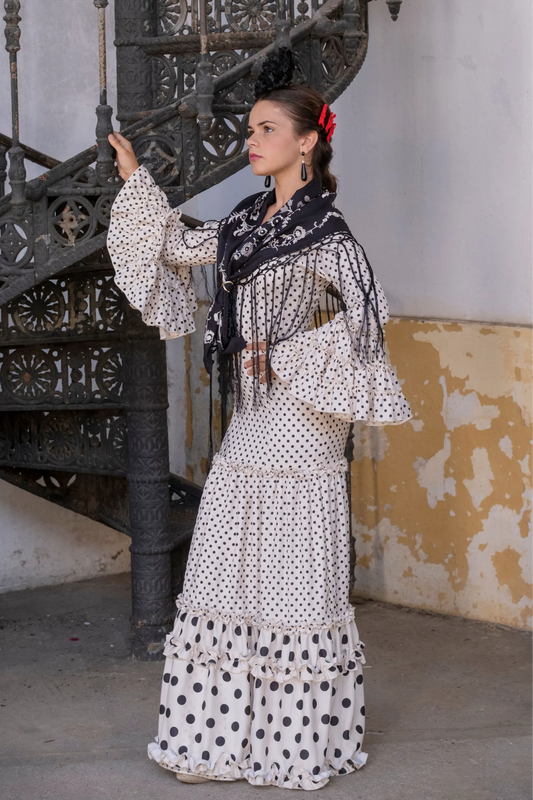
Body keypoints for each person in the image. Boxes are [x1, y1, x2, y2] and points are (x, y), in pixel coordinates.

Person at [106, 47, 412, 791]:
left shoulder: (327, 234)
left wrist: (291, 355)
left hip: (302, 423)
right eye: (251, 129)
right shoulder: (246, 221)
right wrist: (133, 181)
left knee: (293, 580)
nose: (252, 141)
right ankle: (221, 739)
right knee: (225, 565)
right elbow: (178, 248)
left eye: (267, 129)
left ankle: (292, 747)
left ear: (307, 141)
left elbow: (369, 322)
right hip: (253, 417)